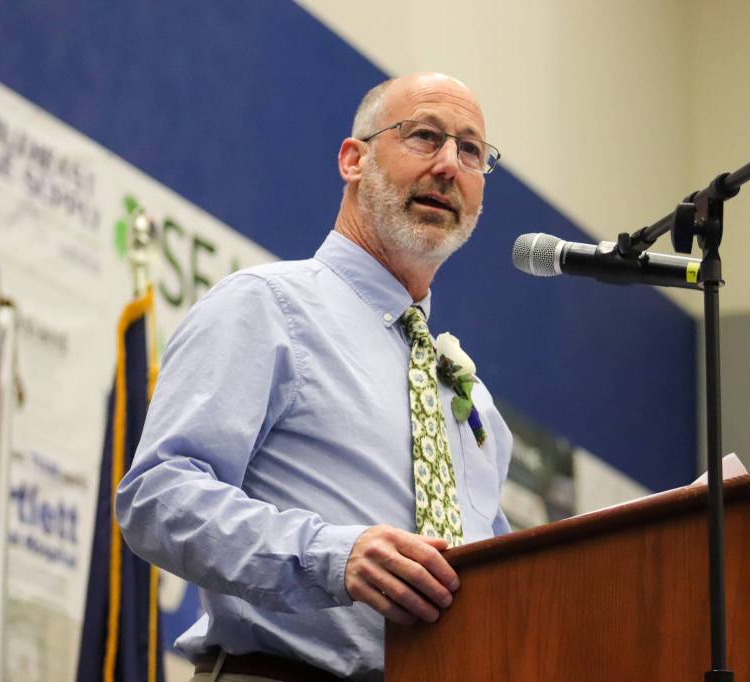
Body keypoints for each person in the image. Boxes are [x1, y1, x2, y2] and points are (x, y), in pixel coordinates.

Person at [115, 72, 513, 682]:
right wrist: (334, 555)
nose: (448, 166)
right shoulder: (265, 306)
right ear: (353, 160)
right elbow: (157, 496)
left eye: (470, 152)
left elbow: (511, 583)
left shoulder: (472, 401)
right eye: (425, 136)